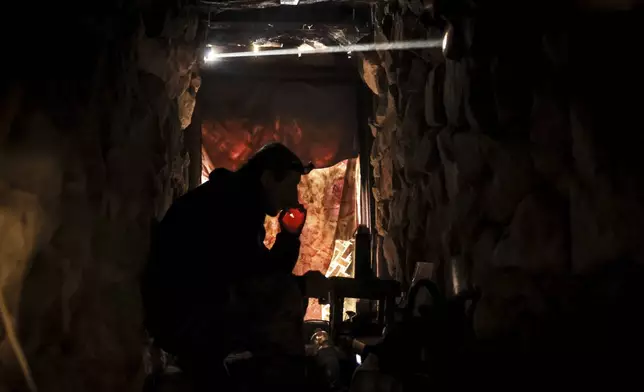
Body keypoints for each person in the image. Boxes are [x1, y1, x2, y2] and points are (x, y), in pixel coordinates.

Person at [141, 142, 320, 390]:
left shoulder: (237, 198)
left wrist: (289, 236)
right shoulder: (232, 203)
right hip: (181, 316)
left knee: (284, 291)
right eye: (290, 186)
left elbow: (256, 270)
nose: (293, 198)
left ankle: (215, 369)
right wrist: (301, 285)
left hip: (187, 309)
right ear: (268, 178)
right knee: (286, 296)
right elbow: (255, 277)